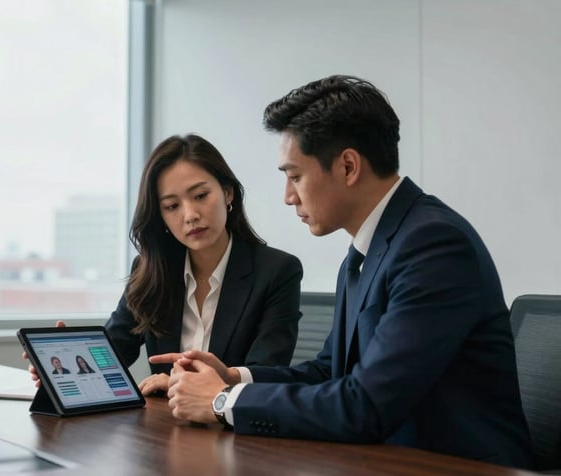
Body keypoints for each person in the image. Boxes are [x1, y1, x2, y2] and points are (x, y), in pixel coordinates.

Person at [152, 76, 534, 469]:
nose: (288, 196)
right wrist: (233, 378)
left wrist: (221, 402)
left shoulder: (433, 245)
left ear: (348, 166)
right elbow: (328, 372)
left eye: (295, 175)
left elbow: (365, 404)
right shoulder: (366, 250)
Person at [26, 134, 303, 395]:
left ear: (228, 193)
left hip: (234, 430)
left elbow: (267, 373)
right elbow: (114, 351)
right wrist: (61, 365)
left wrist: (180, 382)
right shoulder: (151, 270)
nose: (190, 215)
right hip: (165, 430)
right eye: (172, 206)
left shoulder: (277, 271)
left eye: (200, 196)